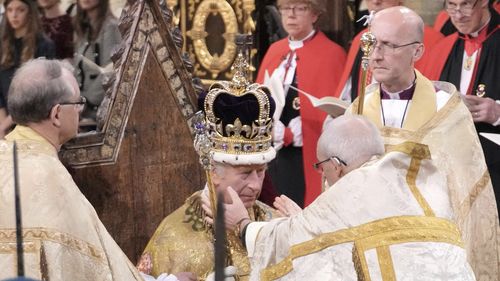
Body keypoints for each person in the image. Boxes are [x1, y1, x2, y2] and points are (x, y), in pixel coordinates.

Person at [211, 115, 476, 281]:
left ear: (336, 166)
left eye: (322, 168)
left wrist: (244, 225)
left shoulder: (352, 188)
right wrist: (305, 222)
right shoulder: (418, 182)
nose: (324, 178)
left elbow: (287, 245)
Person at [0, 59, 193, 281]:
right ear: (56, 114)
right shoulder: (53, 180)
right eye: (77, 103)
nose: (80, 110)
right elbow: (99, 271)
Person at [347, 6, 499, 280]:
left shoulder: (446, 112)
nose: (377, 55)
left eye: (389, 45)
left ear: (417, 52)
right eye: (372, 44)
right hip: (371, 244)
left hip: (428, 249)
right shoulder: (356, 111)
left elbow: (468, 191)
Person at [138, 54, 280, 281]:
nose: (255, 185)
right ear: (214, 171)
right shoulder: (174, 236)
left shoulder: (275, 225)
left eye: (261, 171)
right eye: (245, 173)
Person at [257, 0, 346, 207]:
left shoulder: (332, 54)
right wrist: (269, 128)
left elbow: (337, 111)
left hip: (307, 156)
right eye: (286, 9)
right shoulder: (274, 51)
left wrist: (307, 127)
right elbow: (259, 100)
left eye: (300, 8)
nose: (291, 14)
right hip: (274, 153)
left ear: (314, 14)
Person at [422, 0, 500, 220]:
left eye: (465, 5)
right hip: (453, 166)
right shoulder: (444, 47)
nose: (457, 15)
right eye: (451, 6)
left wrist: (497, 113)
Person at [335, 0, 444, 103]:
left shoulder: (432, 41)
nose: (376, 1)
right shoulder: (362, 38)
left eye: (389, 45)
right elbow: (348, 93)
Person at [0, 0, 55, 138]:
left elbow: (38, 92)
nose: (14, 15)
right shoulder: (2, 45)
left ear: (30, 12)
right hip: (5, 122)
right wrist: (2, 127)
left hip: (34, 121)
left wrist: (4, 125)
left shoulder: (44, 45)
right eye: (10, 10)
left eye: (20, 10)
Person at [73, 0, 121, 124]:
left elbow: (111, 71)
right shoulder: (85, 30)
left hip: (100, 114)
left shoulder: (111, 27)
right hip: (83, 113)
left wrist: (85, 102)